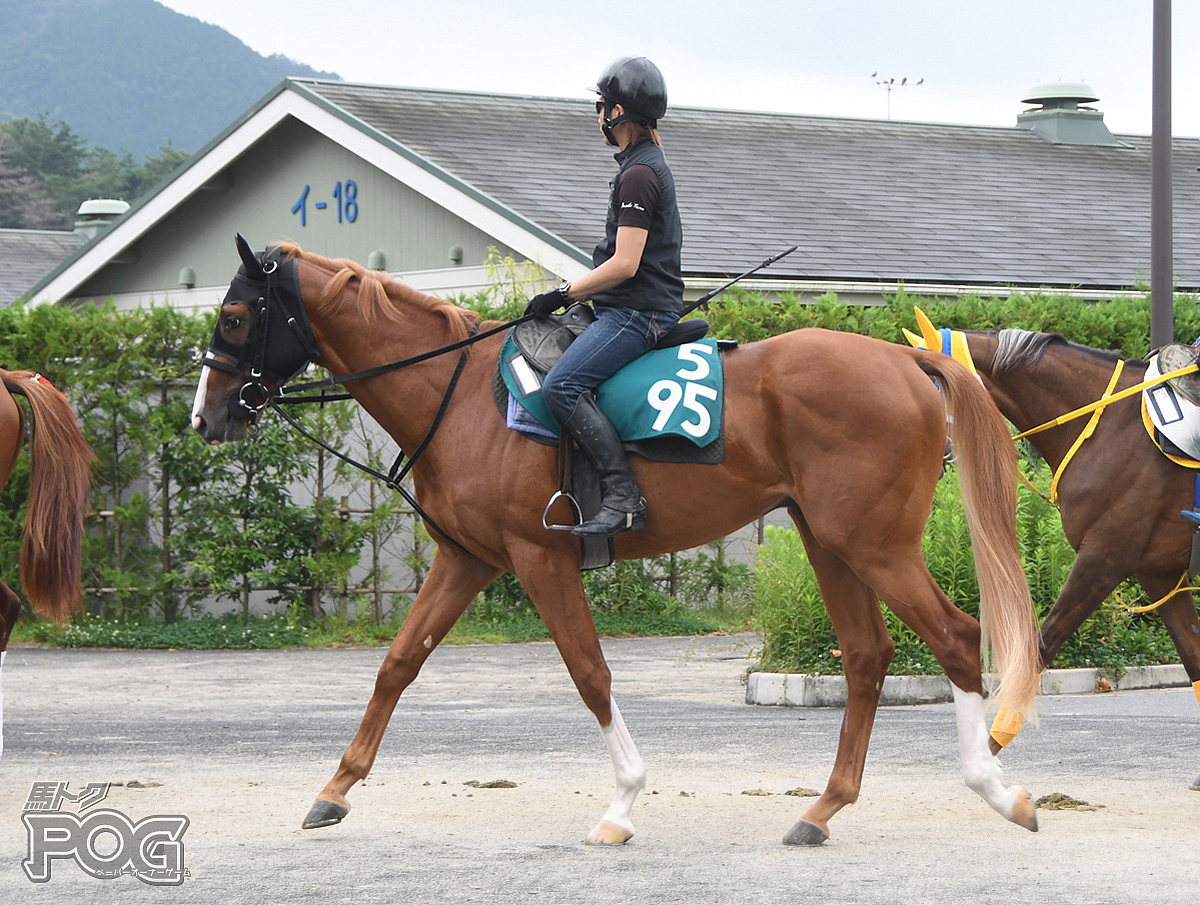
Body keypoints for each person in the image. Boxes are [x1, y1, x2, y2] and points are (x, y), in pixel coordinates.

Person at [526, 55, 685, 538]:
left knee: (561, 387)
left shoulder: (639, 174)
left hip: (638, 314)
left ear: (617, 112)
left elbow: (625, 263)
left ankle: (623, 496)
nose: (597, 115)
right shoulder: (640, 166)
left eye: (601, 106)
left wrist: (562, 293)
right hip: (628, 307)